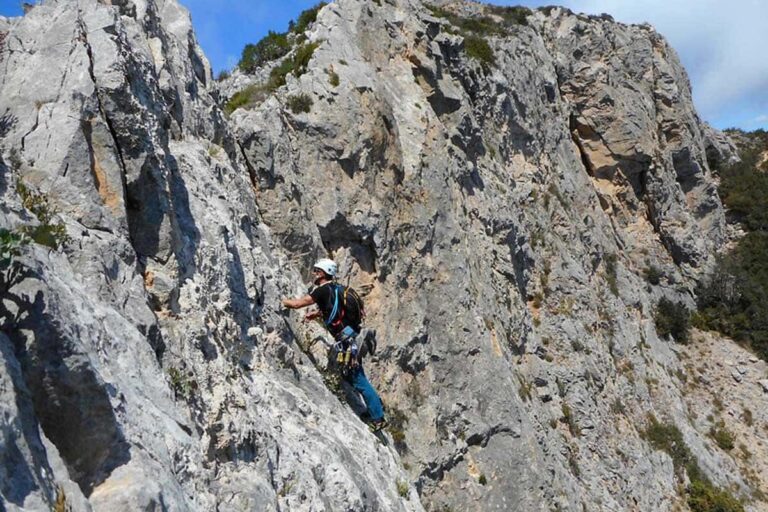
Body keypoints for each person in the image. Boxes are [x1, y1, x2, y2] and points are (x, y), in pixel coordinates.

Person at [282, 258, 387, 431]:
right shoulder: (338, 288)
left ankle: (378, 418)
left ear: (323, 273)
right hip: (352, 336)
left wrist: (282, 301)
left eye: (316, 270)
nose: (314, 273)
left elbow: (297, 304)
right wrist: (317, 315)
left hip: (346, 341)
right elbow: (334, 310)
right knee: (352, 376)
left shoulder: (322, 290)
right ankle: (376, 406)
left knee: (358, 379)